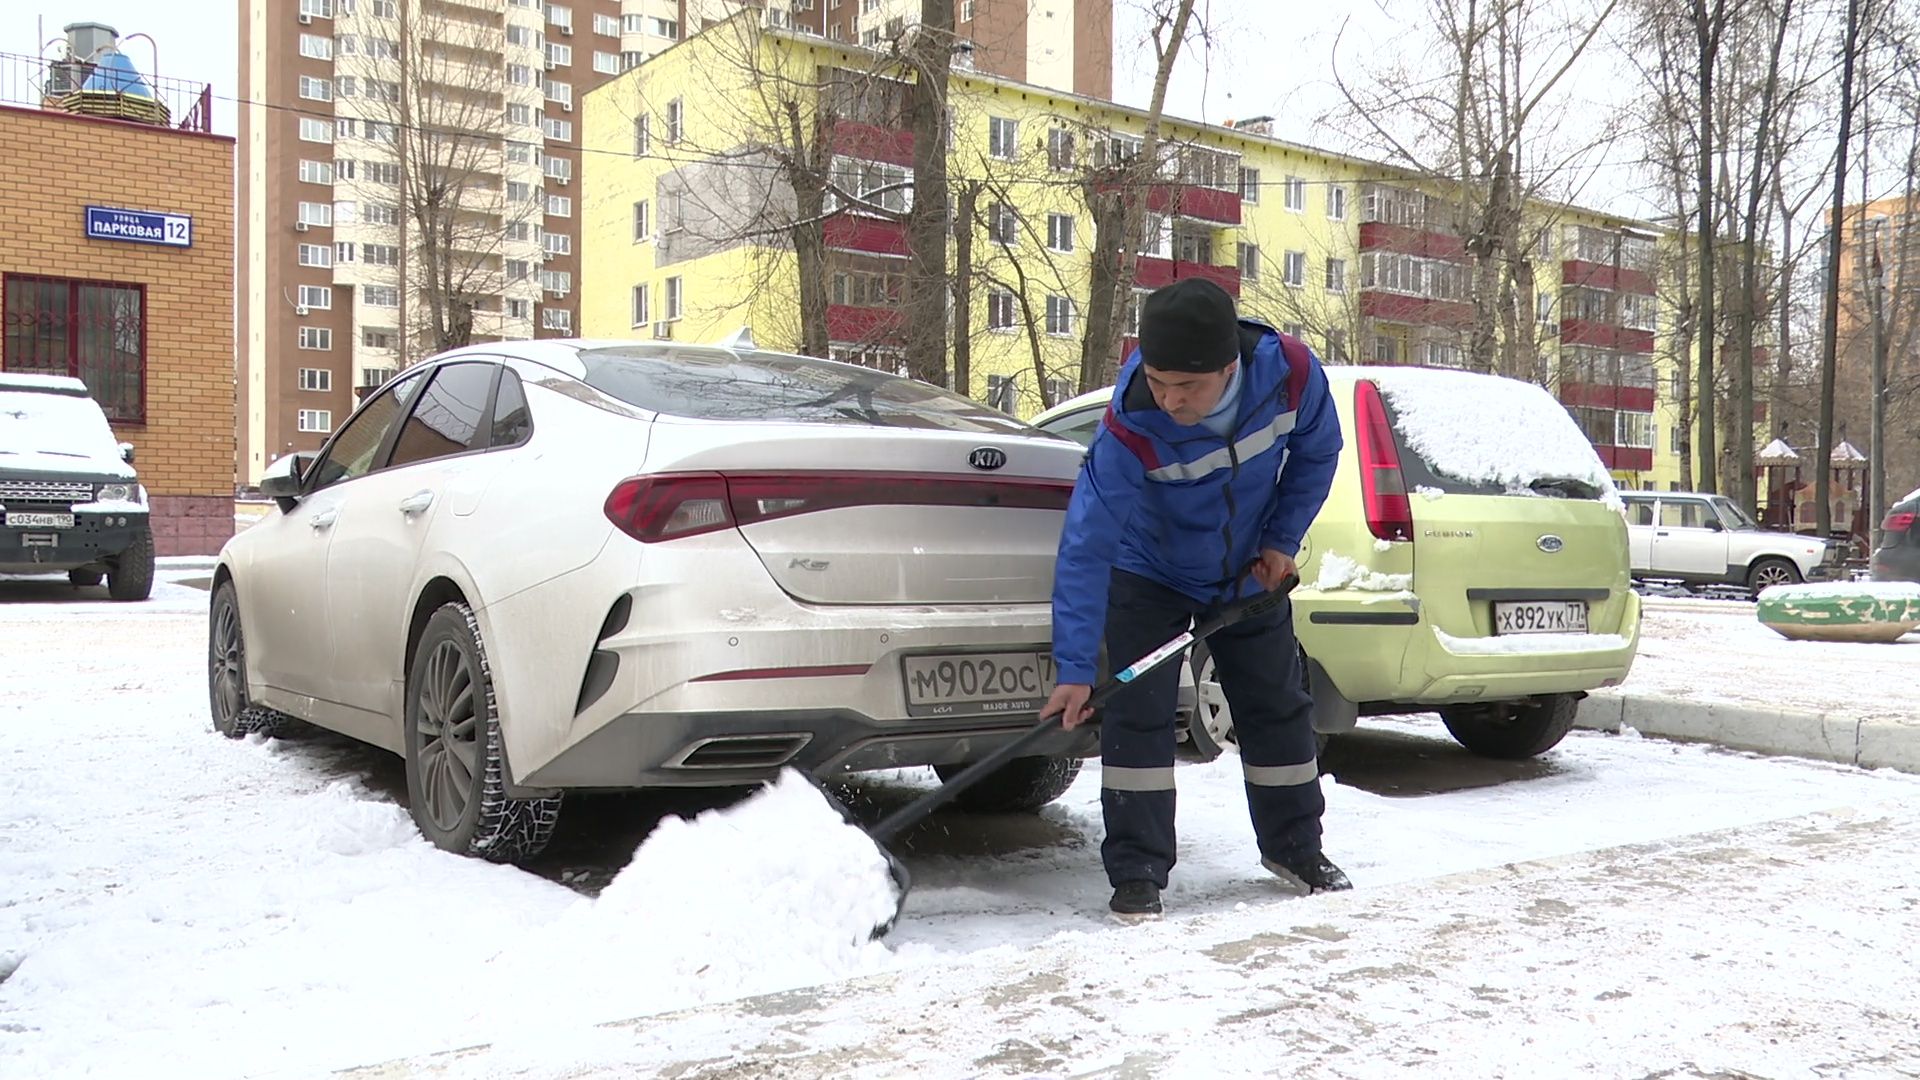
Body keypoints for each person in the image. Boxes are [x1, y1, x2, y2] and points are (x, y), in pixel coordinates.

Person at [1040, 277, 1349, 920]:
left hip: (1247, 574)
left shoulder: (1290, 375)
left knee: (1276, 707)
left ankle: (1295, 848)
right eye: (1159, 381)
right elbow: (1085, 544)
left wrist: (1280, 538)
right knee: (1139, 718)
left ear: (1228, 368)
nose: (1171, 400)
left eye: (1188, 386)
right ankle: (1137, 871)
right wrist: (1073, 669)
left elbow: (1318, 452)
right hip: (1148, 573)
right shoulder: (1132, 421)